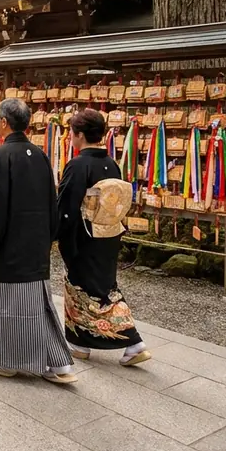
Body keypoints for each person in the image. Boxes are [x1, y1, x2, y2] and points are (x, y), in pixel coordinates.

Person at [0, 98, 76, 384]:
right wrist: (49, 234)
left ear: (4, 122)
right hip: (34, 243)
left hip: (5, 244)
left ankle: (4, 360)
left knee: (2, 303)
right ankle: (56, 362)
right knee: (38, 303)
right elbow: (52, 201)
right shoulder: (39, 156)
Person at [58, 109, 150, 366]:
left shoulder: (78, 165)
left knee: (89, 288)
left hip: (84, 235)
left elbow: (67, 206)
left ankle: (133, 341)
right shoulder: (111, 163)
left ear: (79, 135)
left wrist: (55, 232)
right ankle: (81, 342)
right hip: (109, 233)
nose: (71, 137)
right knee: (103, 286)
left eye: (72, 133)